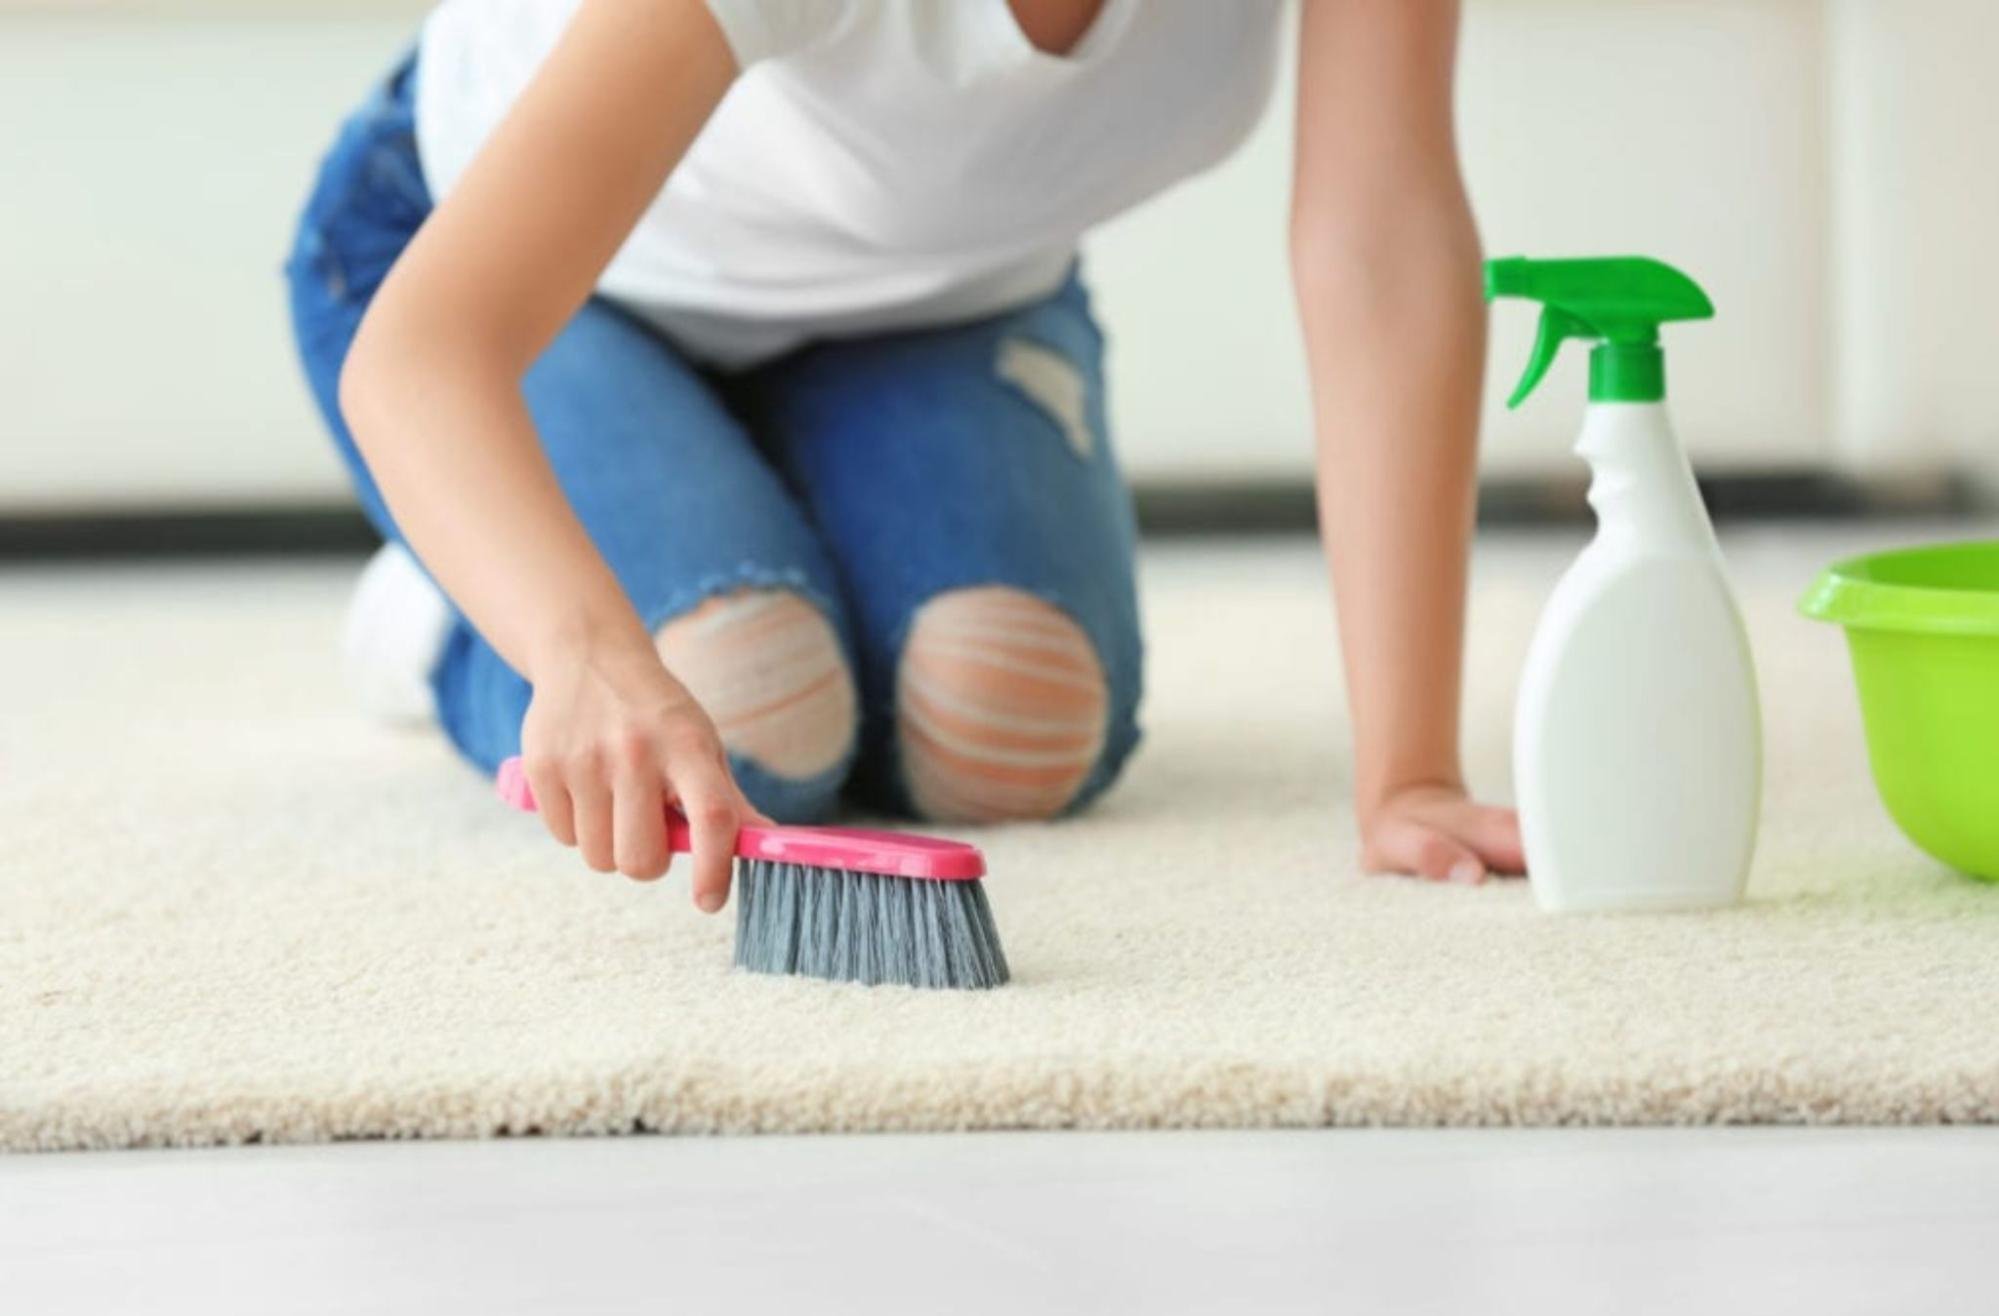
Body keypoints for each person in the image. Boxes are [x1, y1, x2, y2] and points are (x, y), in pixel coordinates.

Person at [286, 0, 1525, 915]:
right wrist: (583, 644)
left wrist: (1409, 771)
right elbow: (426, 355)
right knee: (748, 701)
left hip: (932, 305)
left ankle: (739, 516)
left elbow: (1380, 239)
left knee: (1006, 717)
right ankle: (450, 611)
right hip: (534, 286)